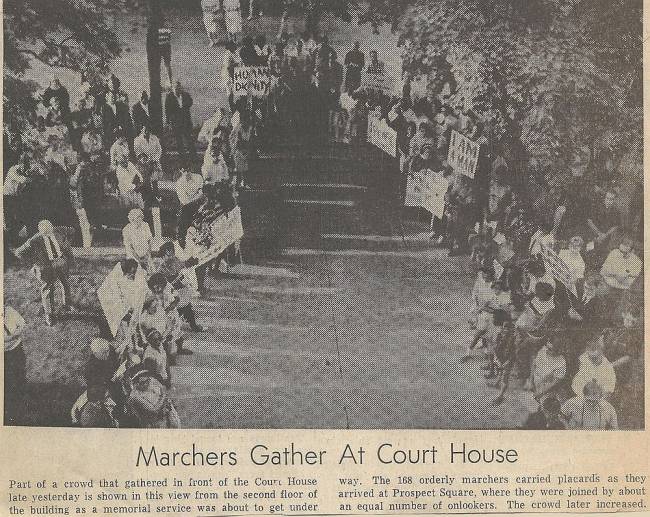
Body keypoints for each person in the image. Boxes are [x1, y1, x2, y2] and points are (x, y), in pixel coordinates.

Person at [14, 220, 75, 326]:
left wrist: (66, 243)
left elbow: (73, 230)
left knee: (65, 283)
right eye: (44, 234)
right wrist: (33, 263)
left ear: (52, 228)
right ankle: (49, 315)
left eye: (49, 232)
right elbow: (18, 252)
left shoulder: (59, 230)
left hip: (61, 261)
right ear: (40, 233)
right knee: (48, 289)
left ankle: (68, 304)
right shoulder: (35, 240)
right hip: (47, 267)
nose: (47, 235)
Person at [156, 241, 204, 332]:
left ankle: (193, 325)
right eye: (168, 255)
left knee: (187, 308)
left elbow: (185, 265)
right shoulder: (161, 269)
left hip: (181, 293)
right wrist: (174, 280)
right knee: (173, 313)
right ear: (162, 257)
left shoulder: (177, 261)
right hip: (170, 296)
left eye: (172, 254)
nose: (171, 257)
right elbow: (161, 285)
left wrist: (192, 261)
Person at [4, 305, 27, 425]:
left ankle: (21, 394)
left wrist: (13, 336)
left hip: (16, 349)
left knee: (19, 372)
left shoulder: (10, 311)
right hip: (4, 355)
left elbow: (23, 324)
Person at [165, 81, 196, 162]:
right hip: (176, 123)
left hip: (186, 122)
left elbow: (190, 102)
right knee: (179, 141)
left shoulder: (185, 95)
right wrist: (168, 122)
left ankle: (193, 157)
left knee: (189, 140)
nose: (177, 90)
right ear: (172, 89)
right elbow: (167, 111)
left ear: (180, 88)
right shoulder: (169, 97)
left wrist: (183, 106)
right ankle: (183, 158)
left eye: (179, 88)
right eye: (175, 88)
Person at [175, 167, 205, 247]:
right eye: (184, 171)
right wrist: (197, 196)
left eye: (188, 170)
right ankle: (183, 240)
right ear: (180, 171)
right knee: (185, 215)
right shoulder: (179, 183)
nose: (187, 173)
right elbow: (185, 201)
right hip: (189, 206)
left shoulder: (198, 177)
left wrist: (198, 197)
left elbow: (203, 191)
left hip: (201, 202)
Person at [69, 153, 93, 248]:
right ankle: (85, 244)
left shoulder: (83, 170)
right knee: (83, 223)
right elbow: (74, 184)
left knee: (84, 224)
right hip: (79, 200)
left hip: (81, 200)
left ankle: (86, 244)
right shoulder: (80, 170)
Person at [231, 109, 253, 189]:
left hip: (246, 148)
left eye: (248, 119)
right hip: (237, 148)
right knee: (239, 166)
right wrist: (243, 152)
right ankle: (237, 183)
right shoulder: (239, 129)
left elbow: (250, 140)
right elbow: (239, 143)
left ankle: (244, 182)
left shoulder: (250, 127)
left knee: (245, 166)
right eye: (244, 119)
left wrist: (248, 150)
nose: (246, 121)